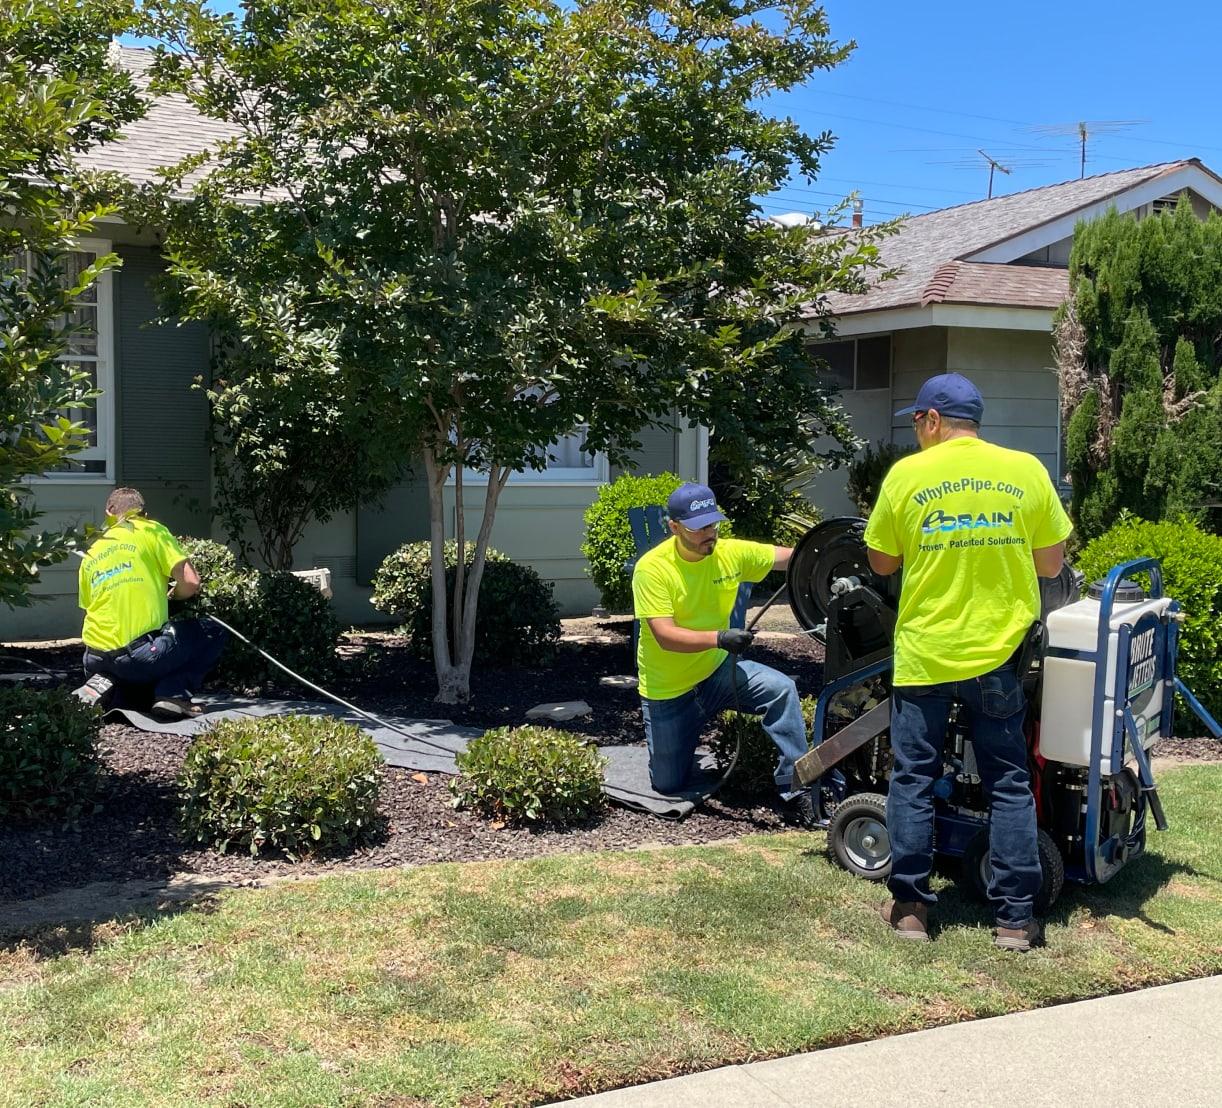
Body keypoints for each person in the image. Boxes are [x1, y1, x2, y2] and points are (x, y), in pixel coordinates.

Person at [863, 373, 1072, 952]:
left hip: (926, 656)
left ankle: (910, 908)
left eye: (916, 422)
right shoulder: (1026, 471)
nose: (915, 431)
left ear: (932, 420)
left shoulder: (908, 475)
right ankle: (1013, 919)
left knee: (912, 778)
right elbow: (1051, 566)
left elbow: (880, 563)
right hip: (998, 656)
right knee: (1008, 782)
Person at [632, 481, 823, 828]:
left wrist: (830, 548)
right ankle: (674, 744)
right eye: (699, 527)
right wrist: (719, 637)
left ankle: (795, 791)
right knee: (669, 783)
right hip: (668, 691)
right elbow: (665, 636)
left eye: (713, 523)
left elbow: (791, 557)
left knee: (780, 690)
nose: (710, 533)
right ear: (674, 527)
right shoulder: (653, 568)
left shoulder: (730, 553)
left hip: (716, 673)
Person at [78, 487, 226, 718]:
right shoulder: (152, 531)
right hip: (139, 656)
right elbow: (191, 582)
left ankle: (102, 684)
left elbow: (89, 606)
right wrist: (174, 596)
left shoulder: (94, 548)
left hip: (94, 658)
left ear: (108, 512)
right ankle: (173, 695)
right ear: (143, 514)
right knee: (212, 631)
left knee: (136, 692)